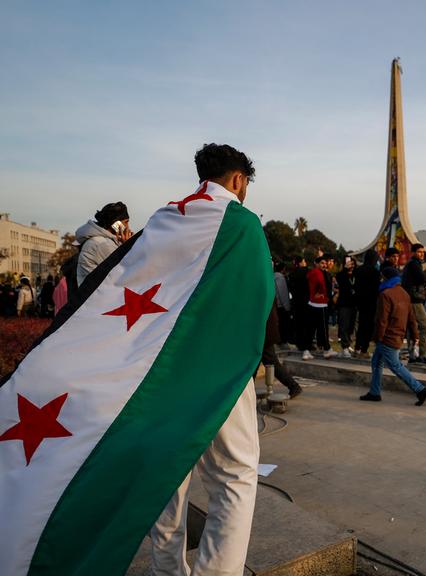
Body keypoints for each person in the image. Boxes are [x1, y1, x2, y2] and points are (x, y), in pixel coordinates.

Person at [151, 143, 270, 576]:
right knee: (234, 476)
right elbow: (256, 299)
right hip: (219, 367)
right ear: (238, 180)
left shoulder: (164, 219)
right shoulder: (242, 223)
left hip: (159, 372)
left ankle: (166, 569)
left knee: (164, 477)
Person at [360, 267, 426, 405]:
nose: (381, 279)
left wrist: (378, 338)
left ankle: (419, 389)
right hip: (397, 334)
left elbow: (382, 320)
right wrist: (415, 334)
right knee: (376, 362)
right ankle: (374, 392)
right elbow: (411, 318)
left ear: (386, 278)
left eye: (382, 277)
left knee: (396, 366)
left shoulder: (385, 294)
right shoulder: (405, 294)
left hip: (387, 336)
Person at [75, 201, 132, 287]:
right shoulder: (101, 244)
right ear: (116, 225)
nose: (128, 227)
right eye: (126, 222)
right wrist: (128, 246)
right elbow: (126, 271)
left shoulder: (101, 241)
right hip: (96, 296)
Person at [401, 243, 426, 364]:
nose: (422, 254)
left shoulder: (410, 264)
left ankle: (413, 355)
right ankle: (422, 355)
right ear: (413, 253)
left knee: (412, 328)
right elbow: (421, 279)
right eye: (419, 252)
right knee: (425, 328)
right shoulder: (414, 264)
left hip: (411, 299)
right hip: (415, 300)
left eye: (423, 252)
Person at [304, 256, 337, 360]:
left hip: (311, 303)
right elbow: (324, 288)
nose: (325, 265)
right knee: (323, 328)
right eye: (322, 263)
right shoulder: (321, 274)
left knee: (310, 329)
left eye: (325, 263)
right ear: (317, 263)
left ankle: (306, 351)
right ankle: (326, 350)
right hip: (321, 304)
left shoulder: (310, 273)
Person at [354, 249, 380, 359]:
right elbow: (376, 288)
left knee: (361, 326)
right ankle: (364, 349)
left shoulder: (358, 270)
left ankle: (357, 348)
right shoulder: (375, 272)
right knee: (368, 327)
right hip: (371, 302)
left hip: (360, 302)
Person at [335, 256, 358, 358]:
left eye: (352, 264)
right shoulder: (341, 275)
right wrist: (345, 269)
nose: (351, 266)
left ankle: (348, 344)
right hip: (344, 305)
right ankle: (344, 347)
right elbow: (339, 278)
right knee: (344, 325)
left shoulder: (356, 275)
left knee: (351, 327)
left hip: (354, 305)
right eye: (348, 263)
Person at [288, 256, 310, 351]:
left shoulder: (292, 273)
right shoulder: (306, 272)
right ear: (301, 262)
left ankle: (298, 343)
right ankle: (306, 344)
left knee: (298, 323)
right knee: (306, 324)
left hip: (296, 301)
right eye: (304, 261)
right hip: (305, 301)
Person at [273, 261, 292, 347]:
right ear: (283, 269)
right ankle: (282, 342)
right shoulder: (280, 277)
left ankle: (278, 341)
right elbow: (282, 292)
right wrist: (287, 306)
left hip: (275, 305)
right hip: (281, 306)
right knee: (283, 325)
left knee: (278, 324)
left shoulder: (272, 276)